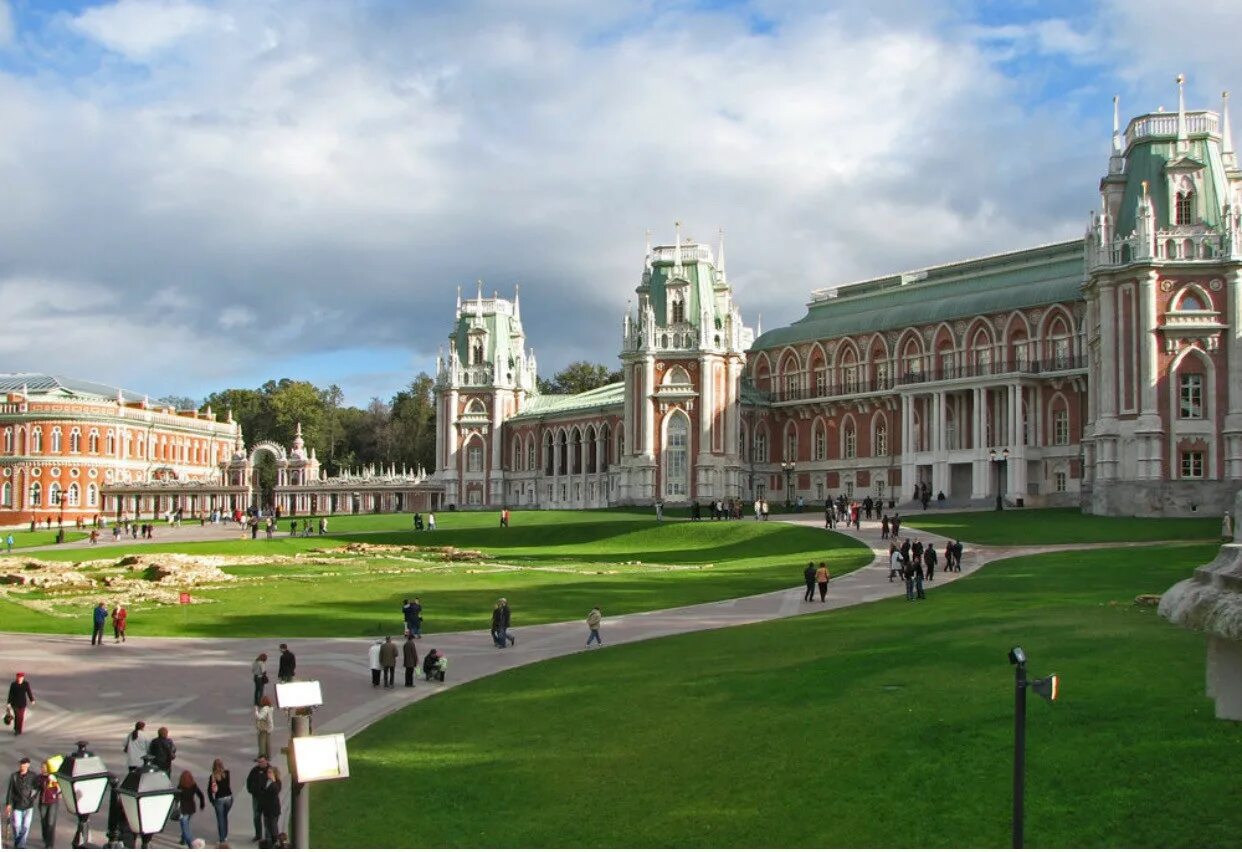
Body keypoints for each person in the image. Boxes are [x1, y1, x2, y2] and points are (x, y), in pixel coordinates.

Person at [5, 757, 36, 849]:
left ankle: (20, 846)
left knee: (26, 826)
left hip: (29, 805)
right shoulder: (14, 776)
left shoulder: (33, 776)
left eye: (23, 764)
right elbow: (10, 790)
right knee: (16, 825)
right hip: (17, 805)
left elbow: (37, 788)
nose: (22, 765)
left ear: (28, 765)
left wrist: (33, 797)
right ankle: (19, 844)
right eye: (21, 764)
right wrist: (8, 803)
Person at [34, 756, 61, 849]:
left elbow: (60, 790)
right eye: (42, 767)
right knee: (44, 821)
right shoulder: (39, 777)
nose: (43, 769)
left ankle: (49, 844)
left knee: (50, 823)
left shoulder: (54, 777)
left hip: (53, 802)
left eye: (45, 767)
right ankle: (45, 837)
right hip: (43, 802)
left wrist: (54, 782)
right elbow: (36, 788)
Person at [175, 770, 206, 847]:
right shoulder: (193, 785)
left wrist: (176, 807)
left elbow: (177, 799)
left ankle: (191, 844)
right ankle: (183, 840)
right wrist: (202, 805)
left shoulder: (180, 787)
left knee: (185, 828)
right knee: (186, 824)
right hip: (191, 809)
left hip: (183, 810)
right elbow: (201, 795)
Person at [206, 758, 233, 847]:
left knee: (220, 819)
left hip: (219, 799)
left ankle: (222, 839)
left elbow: (209, 791)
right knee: (225, 817)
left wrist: (212, 801)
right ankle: (225, 836)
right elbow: (227, 784)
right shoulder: (227, 773)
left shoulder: (213, 776)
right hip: (229, 798)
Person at [245, 757, 270, 844]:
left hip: (266, 798)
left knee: (266, 817)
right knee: (256, 816)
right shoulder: (254, 770)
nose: (260, 764)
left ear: (266, 761)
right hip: (256, 797)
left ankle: (267, 836)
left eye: (262, 762)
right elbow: (249, 780)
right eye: (259, 762)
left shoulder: (270, 770)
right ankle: (258, 835)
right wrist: (250, 790)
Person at [258, 765, 282, 846]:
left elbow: (276, 791)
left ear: (274, 774)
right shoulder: (265, 781)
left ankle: (276, 842)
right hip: (266, 809)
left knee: (273, 827)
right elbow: (261, 791)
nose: (268, 774)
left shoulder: (277, 783)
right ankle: (269, 843)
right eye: (268, 772)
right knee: (267, 827)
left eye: (270, 772)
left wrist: (273, 780)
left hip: (273, 810)